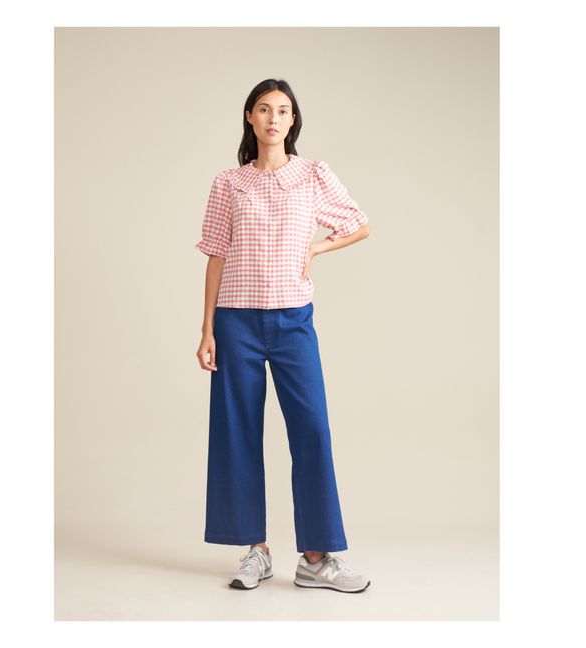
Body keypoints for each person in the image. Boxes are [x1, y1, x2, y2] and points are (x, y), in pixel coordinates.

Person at [195, 79, 371, 593]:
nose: (274, 118)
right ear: (249, 117)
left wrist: (316, 249)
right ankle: (255, 550)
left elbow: (359, 223)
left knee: (312, 429)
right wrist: (207, 328)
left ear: (293, 121)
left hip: (293, 320)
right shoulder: (229, 183)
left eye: (284, 110)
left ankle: (316, 558)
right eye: (264, 109)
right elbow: (216, 255)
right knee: (237, 433)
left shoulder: (313, 175)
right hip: (236, 322)